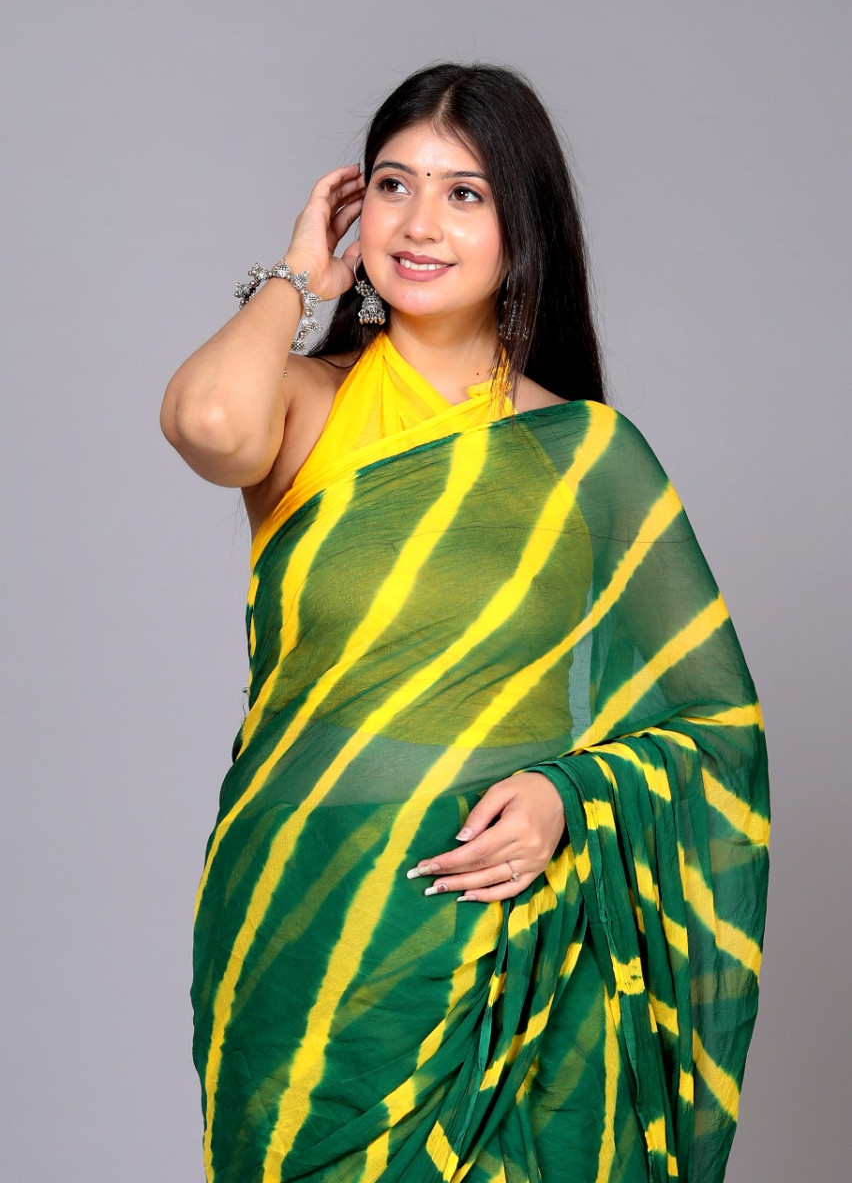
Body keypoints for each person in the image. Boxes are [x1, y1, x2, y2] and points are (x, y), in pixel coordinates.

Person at [160, 62, 770, 1183]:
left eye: (465, 193)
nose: (419, 223)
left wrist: (569, 798)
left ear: (519, 229)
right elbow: (206, 421)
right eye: (393, 186)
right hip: (303, 924)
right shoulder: (308, 404)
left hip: (506, 938)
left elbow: (714, 725)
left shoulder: (589, 458)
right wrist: (299, 276)